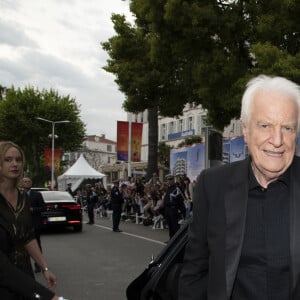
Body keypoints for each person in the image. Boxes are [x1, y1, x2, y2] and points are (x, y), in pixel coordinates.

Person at [178, 75, 300, 300]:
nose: (277, 139)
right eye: (265, 125)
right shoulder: (213, 186)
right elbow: (194, 272)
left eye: (288, 128)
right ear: (246, 131)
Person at [0, 141, 57, 299]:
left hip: (24, 270)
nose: (15, 164)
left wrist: (45, 268)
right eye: (8, 159)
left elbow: (28, 237)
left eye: (18, 160)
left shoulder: (23, 198)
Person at [21, 177, 44, 273]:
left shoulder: (37, 195)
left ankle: (38, 264)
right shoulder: (18, 194)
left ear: (31, 183)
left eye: (28, 182)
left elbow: (43, 207)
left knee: (36, 244)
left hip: (35, 223)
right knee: (23, 245)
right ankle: (25, 265)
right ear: (21, 184)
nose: (27, 183)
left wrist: (33, 209)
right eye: (25, 182)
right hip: (22, 225)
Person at [163, 174, 185, 239]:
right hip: (167, 209)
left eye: (170, 179)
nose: (169, 181)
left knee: (175, 226)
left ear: (173, 180)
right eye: (168, 180)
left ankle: (177, 240)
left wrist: (181, 210)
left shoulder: (176, 188)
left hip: (173, 209)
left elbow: (180, 199)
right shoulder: (168, 188)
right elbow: (166, 198)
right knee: (170, 226)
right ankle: (171, 240)